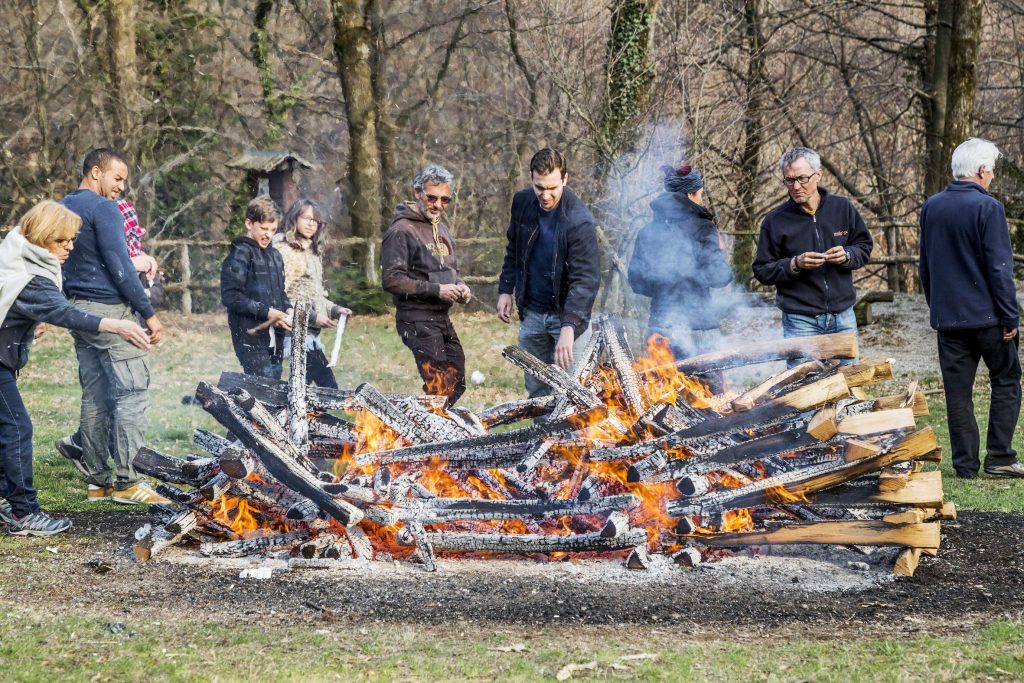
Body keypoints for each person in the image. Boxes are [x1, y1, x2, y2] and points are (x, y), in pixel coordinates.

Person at [0, 201, 151, 534]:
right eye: (62, 240)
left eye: (71, 240)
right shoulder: (31, 277)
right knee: (17, 427)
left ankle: (5, 498)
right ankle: (24, 513)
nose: (70, 247)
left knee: (5, 428)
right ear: (43, 236)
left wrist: (20, 322)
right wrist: (118, 325)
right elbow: (66, 313)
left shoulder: (15, 249)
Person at [59, 148, 168, 505]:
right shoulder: (103, 208)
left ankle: (98, 482)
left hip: (78, 312)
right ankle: (128, 482)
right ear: (95, 172)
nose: (121, 186)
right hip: (109, 312)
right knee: (132, 391)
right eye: (117, 178)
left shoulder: (63, 206)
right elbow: (121, 266)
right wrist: (147, 312)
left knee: (96, 395)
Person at [919, 138, 1024, 479]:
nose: (991, 176)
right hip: (989, 319)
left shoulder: (931, 207)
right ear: (981, 170)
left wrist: (937, 308)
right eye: (991, 170)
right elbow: (999, 269)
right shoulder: (988, 208)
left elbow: (925, 267)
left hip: (949, 320)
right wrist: (1011, 316)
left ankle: (965, 466)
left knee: (958, 394)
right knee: (1007, 380)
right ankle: (1000, 457)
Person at [496, 148, 600, 397]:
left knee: (575, 391)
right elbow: (514, 248)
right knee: (536, 389)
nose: (545, 195)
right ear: (531, 179)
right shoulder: (522, 203)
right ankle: (542, 436)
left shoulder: (579, 220)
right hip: (532, 313)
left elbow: (585, 280)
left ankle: (577, 437)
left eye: (552, 187)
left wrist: (568, 327)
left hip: (567, 318)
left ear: (565, 179)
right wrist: (505, 289)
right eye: (539, 187)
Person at [752, 147, 873, 353]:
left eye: (802, 178)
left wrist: (847, 256)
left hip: (843, 315)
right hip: (800, 320)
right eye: (789, 180)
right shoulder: (775, 220)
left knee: (849, 379)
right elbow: (762, 270)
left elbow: (864, 247)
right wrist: (794, 264)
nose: (796, 186)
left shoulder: (842, 208)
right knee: (803, 383)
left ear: (818, 175)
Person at [381, 164, 471, 405]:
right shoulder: (401, 230)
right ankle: (418, 430)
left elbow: (453, 271)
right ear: (417, 193)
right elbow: (391, 279)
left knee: (457, 381)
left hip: (441, 318)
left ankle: (428, 424)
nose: (438, 205)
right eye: (432, 198)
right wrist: (438, 290)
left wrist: (462, 287)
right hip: (416, 318)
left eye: (445, 200)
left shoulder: (442, 228)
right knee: (439, 386)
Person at [628, 163, 733, 361]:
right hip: (699, 329)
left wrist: (666, 282)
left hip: (660, 327)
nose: (701, 200)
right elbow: (719, 277)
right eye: (700, 194)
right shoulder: (704, 228)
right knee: (710, 391)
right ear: (691, 194)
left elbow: (637, 283)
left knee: (661, 390)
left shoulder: (647, 232)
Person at [274, 199, 352, 388]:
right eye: (306, 218)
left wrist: (335, 309)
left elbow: (314, 294)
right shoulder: (287, 251)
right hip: (293, 331)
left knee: (304, 386)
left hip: (309, 333)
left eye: (315, 220)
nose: (311, 224)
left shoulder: (312, 251)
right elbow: (279, 296)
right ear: (294, 219)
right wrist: (313, 316)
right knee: (327, 385)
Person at [221, 195, 294, 380]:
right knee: (263, 386)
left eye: (273, 229)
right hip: (249, 336)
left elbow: (280, 293)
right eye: (263, 228)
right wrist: (267, 312)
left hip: (276, 335)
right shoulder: (240, 254)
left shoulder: (276, 256)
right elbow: (231, 297)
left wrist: (287, 308)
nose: (268, 234)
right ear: (249, 223)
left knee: (275, 384)